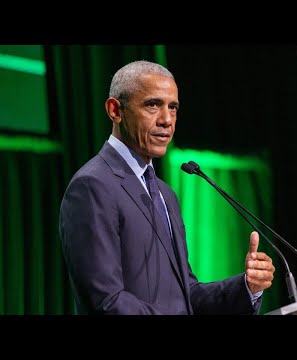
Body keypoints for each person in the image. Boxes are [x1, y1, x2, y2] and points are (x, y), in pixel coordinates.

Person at [58, 60, 275, 315]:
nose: (166, 120)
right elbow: (105, 301)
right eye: (152, 105)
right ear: (115, 110)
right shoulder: (92, 186)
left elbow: (187, 295)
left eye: (173, 108)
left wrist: (246, 287)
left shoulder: (165, 194)